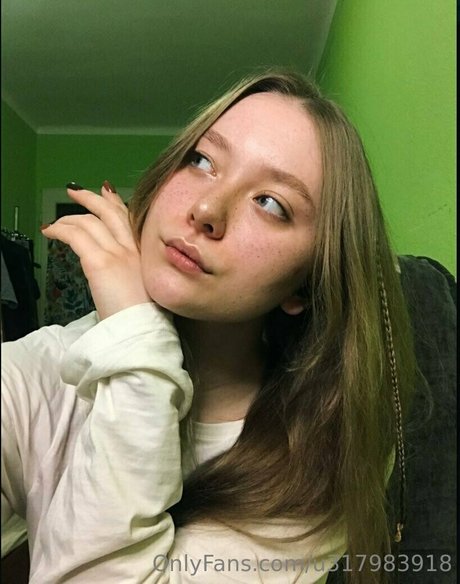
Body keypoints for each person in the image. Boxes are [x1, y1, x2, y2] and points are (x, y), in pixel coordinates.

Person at [1, 70, 415, 583]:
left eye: (271, 203)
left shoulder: (314, 467)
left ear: (305, 287)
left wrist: (137, 348)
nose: (205, 210)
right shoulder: (36, 372)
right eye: (201, 160)